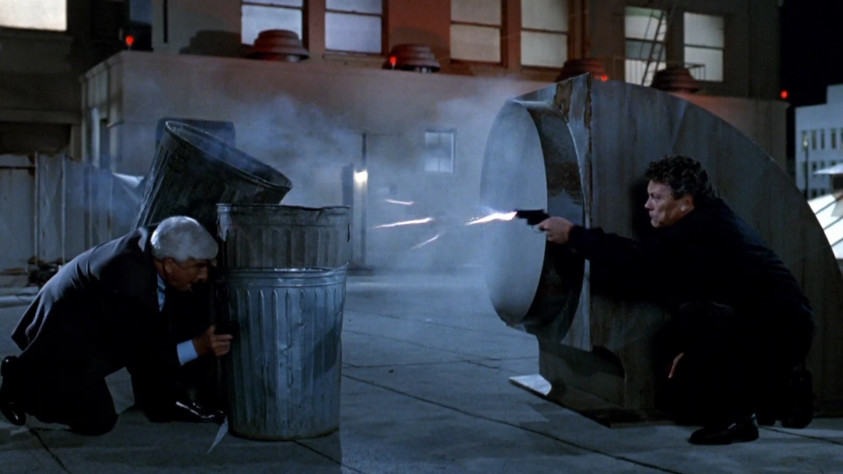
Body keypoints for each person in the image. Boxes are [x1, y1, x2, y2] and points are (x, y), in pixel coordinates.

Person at [538, 155, 815, 445]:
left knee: (695, 317)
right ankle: (786, 394)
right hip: (776, 326)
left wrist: (572, 235)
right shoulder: (707, 220)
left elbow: (639, 260)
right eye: (648, 196)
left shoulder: (702, 230)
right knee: (691, 337)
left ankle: (738, 419)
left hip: (782, 330)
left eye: (657, 197)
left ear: (686, 201)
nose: (647, 205)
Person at [0, 215, 234, 435]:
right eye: (199, 266)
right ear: (170, 265)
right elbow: (144, 359)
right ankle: (18, 382)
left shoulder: (164, 242)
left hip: (98, 324)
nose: (204, 275)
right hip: (63, 336)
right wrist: (198, 346)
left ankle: (165, 400)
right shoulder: (128, 280)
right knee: (97, 420)